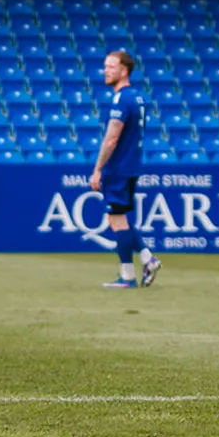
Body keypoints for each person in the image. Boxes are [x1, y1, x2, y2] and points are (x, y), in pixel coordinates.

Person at [88, 50, 161, 289]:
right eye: (105, 66)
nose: (105, 71)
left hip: (118, 168)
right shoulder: (138, 98)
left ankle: (128, 276)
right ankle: (145, 260)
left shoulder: (122, 99)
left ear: (124, 70)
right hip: (130, 166)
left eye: (111, 67)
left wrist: (98, 169)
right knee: (119, 217)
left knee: (116, 219)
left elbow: (111, 139)